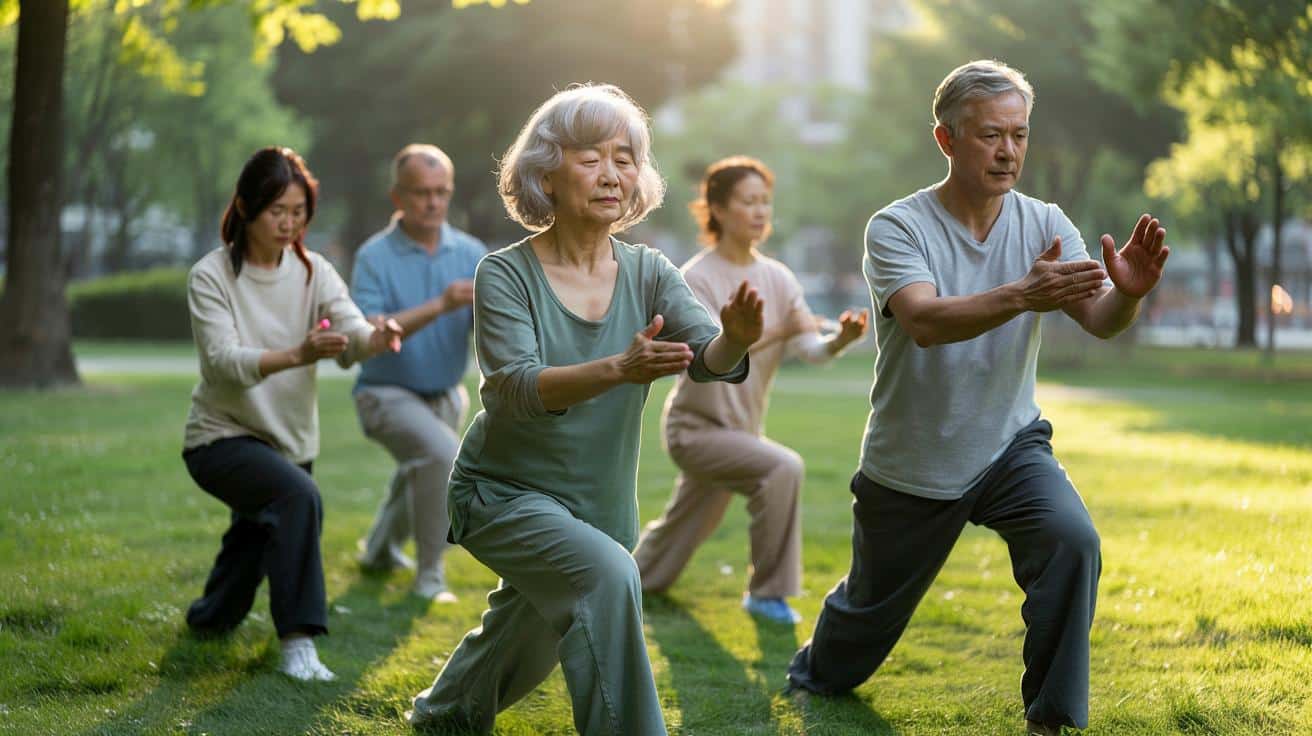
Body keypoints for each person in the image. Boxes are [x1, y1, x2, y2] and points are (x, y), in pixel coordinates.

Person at [784, 60, 1170, 736]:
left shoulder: (1046, 221)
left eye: (1019, 135)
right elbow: (927, 322)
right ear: (947, 139)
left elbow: (1100, 320)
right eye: (990, 135)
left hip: (1008, 445)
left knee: (1071, 542)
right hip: (914, 460)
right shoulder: (896, 228)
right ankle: (817, 669)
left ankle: (1048, 721)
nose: (1008, 151)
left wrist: (1129, 295)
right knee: (863, 621)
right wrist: (1023, 293)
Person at [406, 84, 762, 735]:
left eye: (625, 157)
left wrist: (734, 338)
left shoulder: (650, 271)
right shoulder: (505, 274)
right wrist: (618, 370)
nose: (612, 173)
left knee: (529, 627)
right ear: (547, 170)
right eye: (591, 156)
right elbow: (514, 389)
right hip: (502, 494)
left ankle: (446, 715)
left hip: (599, 510)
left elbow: (708, 355)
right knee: (604, 580)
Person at [182, 146, 404, 681]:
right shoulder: (211, 276)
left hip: (287, 442)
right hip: (219, 438)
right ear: (245, 206)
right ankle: (298, 642)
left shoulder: (314, 272)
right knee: (296, 498)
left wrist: (375, 338)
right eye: (277, 211)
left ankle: (209, 619)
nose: (289, 224)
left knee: (257, 537)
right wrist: (297, 355)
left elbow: (348, 332)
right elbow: (222, 364)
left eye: (299, 212)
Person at [631, 156, 869, 625]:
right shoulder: (693, 278)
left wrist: (837, 340)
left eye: (765, 202)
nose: (760, 212)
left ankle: (630, 582)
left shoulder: (778, 277)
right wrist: (778, 331)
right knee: (782, 469)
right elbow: (709, 353)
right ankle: (767, 593)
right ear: (717, 209)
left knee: (684, 527)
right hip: (695, 430)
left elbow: (809, 347)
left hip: (741, 431)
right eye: (748, 201)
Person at [350, 143, 486, 601]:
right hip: (383, 394)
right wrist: (440, 305)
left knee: (420, 468)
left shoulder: (471, 252)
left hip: (446, 394)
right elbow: (369, 330)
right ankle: (431, 574)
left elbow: (492, 325)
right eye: (420, 192)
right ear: (397, 197)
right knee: (442, 458)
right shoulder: (374, 255)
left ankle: (379, 550)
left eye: (441, 192)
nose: (432, 202)